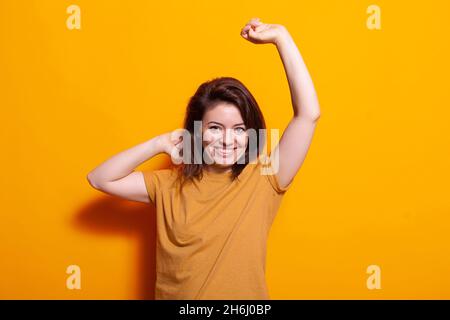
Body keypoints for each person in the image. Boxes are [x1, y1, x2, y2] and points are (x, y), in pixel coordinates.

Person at [87, 17, 321, 299]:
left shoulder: (264, 176)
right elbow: (99, 178)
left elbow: (308, 115)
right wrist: (158, 143)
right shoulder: (168, 184)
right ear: (196, 132)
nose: (227, 140)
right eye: (214, 128)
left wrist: (281, 38)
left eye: (239, 129)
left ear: (250, 134)